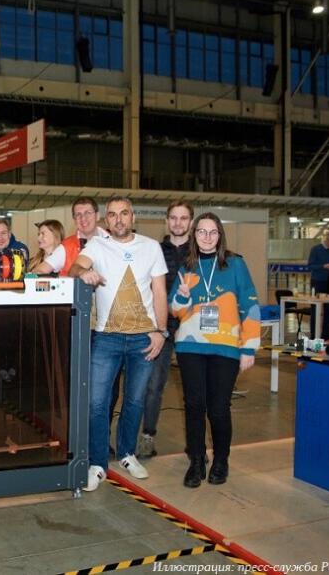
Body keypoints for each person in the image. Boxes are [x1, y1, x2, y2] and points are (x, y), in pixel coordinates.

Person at [70, 197, 168, 492]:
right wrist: (83, 272)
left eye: (124, 213)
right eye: (112, 215)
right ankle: (97, 463)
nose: (118, 219)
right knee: (97, 403)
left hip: (144, 337)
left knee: (135, 401)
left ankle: (127, 453)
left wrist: (160, 331)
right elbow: (74, 268)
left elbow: (159, 292)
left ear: (133, 217)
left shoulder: (151, 247)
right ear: (107, 220)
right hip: (106, 338)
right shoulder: (97, 245)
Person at [170, 212, 260, 488]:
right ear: (194, 235)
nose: (207, 237)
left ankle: (221, 459)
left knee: (219, 408)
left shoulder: (235, 264)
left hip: (226, 347)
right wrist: (182, 296)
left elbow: (250, 305)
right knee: (194, 405)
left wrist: (249, 348)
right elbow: (175, 310)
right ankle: (197, 460)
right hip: (190, 346)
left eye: (212, 232)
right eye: (201, 232)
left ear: (220, 235)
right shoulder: (187, 267)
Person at [136, 200, 194, 459]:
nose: (178, 223)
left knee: (194, 390)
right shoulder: (154, 251)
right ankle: (147, 436)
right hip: (162, 328)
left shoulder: (200, 252)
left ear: (191, 222)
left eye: (183, 218)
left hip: (193, 329)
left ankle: (195, 444)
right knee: (153, 386)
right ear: (167, 221)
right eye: (174, 218)